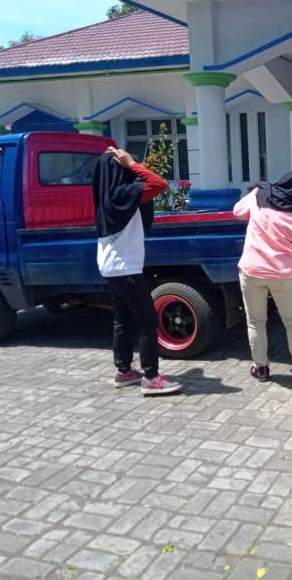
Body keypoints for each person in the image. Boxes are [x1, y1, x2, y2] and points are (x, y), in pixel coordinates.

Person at [92, 147, 182, 396]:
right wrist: (131, 163)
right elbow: (158, 183)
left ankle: (124, 372)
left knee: (122, 318)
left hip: (110, 266)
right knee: (147, 319)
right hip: (125, 267)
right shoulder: (123, 194)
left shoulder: (107, 196)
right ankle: (151, 378)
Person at [233, 170, 292, 389]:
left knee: (255, 321)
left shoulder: (258, 195)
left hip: (252, 270)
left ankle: (260, 368)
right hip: (282, 274)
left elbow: (237, 212)